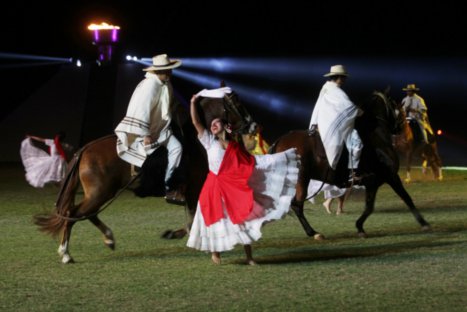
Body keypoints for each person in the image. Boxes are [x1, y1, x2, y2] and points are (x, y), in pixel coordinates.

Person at [186, 88, 300, 265]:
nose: (213, 125)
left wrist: (277, 160)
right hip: (214, 187)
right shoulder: (208, 141)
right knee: (217, 219)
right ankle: (215, 253)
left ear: (225, 126)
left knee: (242, 219)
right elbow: (196, 122)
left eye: (217, 123)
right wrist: (193, 102)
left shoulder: (234, 145)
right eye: (212, 124)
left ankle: (249, 256)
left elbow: (249, 163)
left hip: (232, 187)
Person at [114, 54, 185, 205]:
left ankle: (169, 187)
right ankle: (146, 180)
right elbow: (142, 109)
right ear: (159, 71)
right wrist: (145, 134)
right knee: (153, 156)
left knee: (176, 148)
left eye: (170, 70)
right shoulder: (150, 85)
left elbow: (166, 104)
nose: (170, 72)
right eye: (168, 70)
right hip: (147, 130)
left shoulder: (165, 84)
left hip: (161, 130)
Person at [309, 65, 363, 182]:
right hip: (330, 125)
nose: (345, 80)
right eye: (344, 77)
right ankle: (351, 172)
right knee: (356, 143)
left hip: (323, 122)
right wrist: (359, 111)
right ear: (339, 77)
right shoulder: (336, 91)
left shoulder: (326, 87)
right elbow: (348, 107)